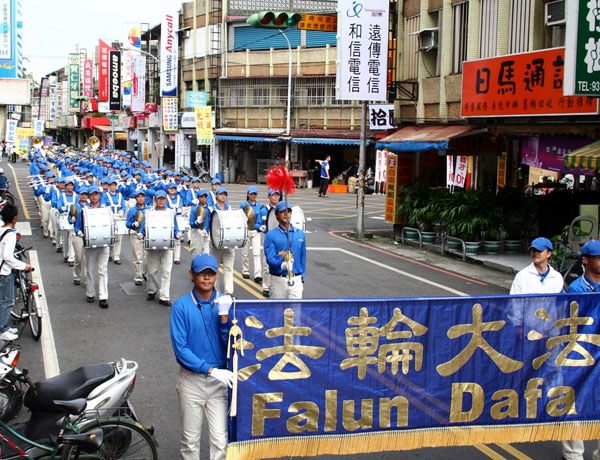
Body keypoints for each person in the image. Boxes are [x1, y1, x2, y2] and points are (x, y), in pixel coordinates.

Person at [170, 253, 234, 460]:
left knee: (221, 441)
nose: (206, 278)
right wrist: (211, 370)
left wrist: (225, 318)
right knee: (190, 442)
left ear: (217, 275)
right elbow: (181, 350)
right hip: (192, 381)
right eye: (201, 274)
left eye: (211, 274)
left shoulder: (226, 303)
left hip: (220, 382)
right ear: (192, 274)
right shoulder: (181, 306)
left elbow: (233, 345)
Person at [561, 239, 600, 460]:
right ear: (586, 260)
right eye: (599, 258)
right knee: (575, 403)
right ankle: (573, 453)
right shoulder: (577, 289)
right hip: (580, 353)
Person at [141, 190, 181, 307]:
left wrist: (177, 234)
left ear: (166, 200)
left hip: (167, 245)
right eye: (159, 199)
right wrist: (141, 234)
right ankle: (152, 290)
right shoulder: (149, 213)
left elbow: (175, 228)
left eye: (163, 199)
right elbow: (144, 227)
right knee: (151, 271)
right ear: (155, 200)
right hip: (152, 245)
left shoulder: (170, 213)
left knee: (166, 272)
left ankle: (164, 296)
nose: (161, 201)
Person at [73, 185, 110, 309]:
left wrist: (114, 229)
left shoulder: (105, 210)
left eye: (96, 194)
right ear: (89, 196)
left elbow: (111, 223)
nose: (94, 196)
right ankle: (90, 292)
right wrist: (79, 232)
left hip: (104, 242)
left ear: (99, 195)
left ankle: (103, 296)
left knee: (103, 270)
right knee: (90, 269)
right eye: (92, 194)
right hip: (90, 243)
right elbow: (77, 226)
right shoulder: (84, 211)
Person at [0, 204, 33, 341]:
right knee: (7, 301)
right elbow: (8, 256)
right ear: (14, 218)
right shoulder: (11, 235)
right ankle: (3, 330)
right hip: (4, 271)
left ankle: (4, 326)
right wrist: (23, 266)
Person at [264, 201, 307, 299]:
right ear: (276, 215)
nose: (286, 214)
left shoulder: (300, 234)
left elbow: (303, 256)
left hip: (296, 280)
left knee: (295, 308)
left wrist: (301, 276)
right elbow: (270, 258)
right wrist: (281, 264)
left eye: (288, 211)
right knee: (277, 308)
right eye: (282, 211)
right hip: (278, 280)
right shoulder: (270, 235)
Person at [209, 187, 235, 295]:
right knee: (215, 268)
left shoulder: (230, 209)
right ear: (216, 195)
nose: (223, 196)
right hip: (216, 243)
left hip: (228, 242)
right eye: (220, 194)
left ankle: (229, 292)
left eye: (225, 194)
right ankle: (216, 291)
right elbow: (208, 225)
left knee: (229, 268)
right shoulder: (211, 209)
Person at [240, 186, 266, 283]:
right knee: (245, 253)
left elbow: (262, 218)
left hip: (256, 231)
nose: (253, 196)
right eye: (251, 194)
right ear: (248, 194)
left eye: (254, 194)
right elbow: (239, 217)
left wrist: (262, 226)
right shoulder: (243, 205)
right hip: (246, 231)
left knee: (256, 253)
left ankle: (257, 274)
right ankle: (245, 270)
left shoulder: (260, 206)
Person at [260, 189, 281, 297]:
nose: (275, 197)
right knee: (267, 264)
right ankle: (266, 286)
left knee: (281, 261)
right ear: (269, 197)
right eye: (273, 195)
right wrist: (261, 227)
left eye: (277, 195)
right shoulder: (264, 209)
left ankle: (277, 285)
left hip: (281, 239)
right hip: (269, 239)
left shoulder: (283, 209)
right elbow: (257, 223)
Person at [126, 189, 149, 286]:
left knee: (148, 257)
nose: (141, 198)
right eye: (138, 197)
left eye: (142, 196)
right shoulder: (132, 210)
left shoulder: (149, 209)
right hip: (136, 234)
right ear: (136, 198)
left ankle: (146, 273)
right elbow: (127, 223)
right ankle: (138, 277)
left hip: (148, 235)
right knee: (138, 257)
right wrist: (132, 224)